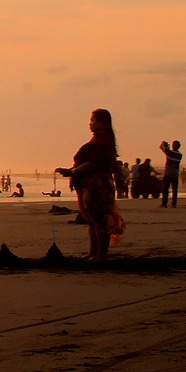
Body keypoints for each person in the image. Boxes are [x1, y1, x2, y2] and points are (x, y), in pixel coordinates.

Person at [56, 108, 126, 262]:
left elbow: (92, 163)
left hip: (98, 186)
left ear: (102, 122)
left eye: (93, 120)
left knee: (100, 219)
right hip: (90, 185)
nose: (90, 124)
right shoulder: (100, 141)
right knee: (91, 220)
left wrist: (72, 172)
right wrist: (72, 171)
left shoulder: (103, 142)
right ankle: (93, 252)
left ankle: (101, 254)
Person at [160, 140, 183, 208]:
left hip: (168, 173)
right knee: (174, 190)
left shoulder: (169, 152)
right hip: (175, 174)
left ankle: (164, 204)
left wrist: (163, 144)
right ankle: (174, 204)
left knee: (165, 189)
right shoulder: (180, 155)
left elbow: (161, 148)